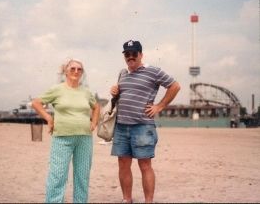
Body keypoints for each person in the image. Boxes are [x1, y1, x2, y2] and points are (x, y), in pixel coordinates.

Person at [110, 40, 180, 203]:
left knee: (145, 166)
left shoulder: (153, 71)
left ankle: (148, 201)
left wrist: (160, 106)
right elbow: (122, 96)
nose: (131, 57)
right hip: (121, 126)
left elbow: (175, 86)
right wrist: (115, 91)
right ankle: (127, 199)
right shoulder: (122, 73)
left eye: (134, 54)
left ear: (141, 55)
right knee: (123, 165)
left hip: (142, 127)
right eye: (127, 54)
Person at [32, 58, 100, 203]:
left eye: (79, 69)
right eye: (72, 69)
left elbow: (96, 107)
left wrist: (94, 123)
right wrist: (49, 119)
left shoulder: (86, 92)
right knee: (58, 175)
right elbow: (36, 103)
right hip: (62, 137)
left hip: (84, 138)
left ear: (82, 73)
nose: (76, 71)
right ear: (65, 71)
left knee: (82, 176)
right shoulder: (57, 89)